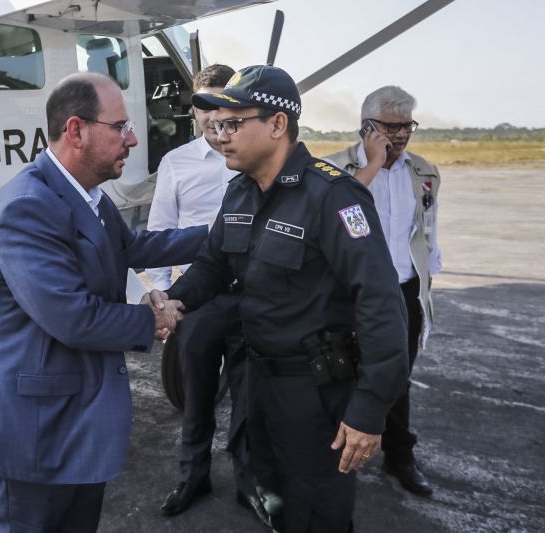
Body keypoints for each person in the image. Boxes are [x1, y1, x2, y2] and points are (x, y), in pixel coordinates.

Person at [149, 65, 409, 532]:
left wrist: (369, 410)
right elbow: (212, 265)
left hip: (316, 393)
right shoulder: (240, 192)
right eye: (217, 124)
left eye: (233, 123)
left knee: (318, 513)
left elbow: (381, 303)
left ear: (276, 124)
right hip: (257, 385)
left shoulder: (333, 196)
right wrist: (174, 300)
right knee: (274, 499)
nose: (220, 135)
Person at [0, 72, 209, 533]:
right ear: (76, 130)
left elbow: (133, 248)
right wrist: (155, 318)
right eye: (120, 127)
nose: (133, 138)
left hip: (75, 422)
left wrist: (219, 238)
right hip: (33, 433)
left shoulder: (88, 196)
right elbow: (73, 318)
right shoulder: (27, 205)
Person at [148, 64, 270, 527]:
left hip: (251, 298)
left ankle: (248, 481)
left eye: (221, 103)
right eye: (203, 105)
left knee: (248, 397)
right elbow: (159, 231)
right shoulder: (177, 162)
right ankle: (192, 476)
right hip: (196, 300)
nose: (211, 114)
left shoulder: (255, 156)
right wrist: (163, 300)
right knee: (195, 399)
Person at [324, 86, 442, 497]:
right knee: (340, 372)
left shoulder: (422, 171)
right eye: (391, 126)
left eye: (407, 125)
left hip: (403, 289)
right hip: (349, 292)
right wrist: (372, 164)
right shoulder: (335, 169)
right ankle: (335, 451)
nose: (401, 135)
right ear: (366, 126)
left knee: (396, 375)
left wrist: (429, 276)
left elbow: (427, 228)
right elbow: (338, 214)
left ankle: (398, 454)